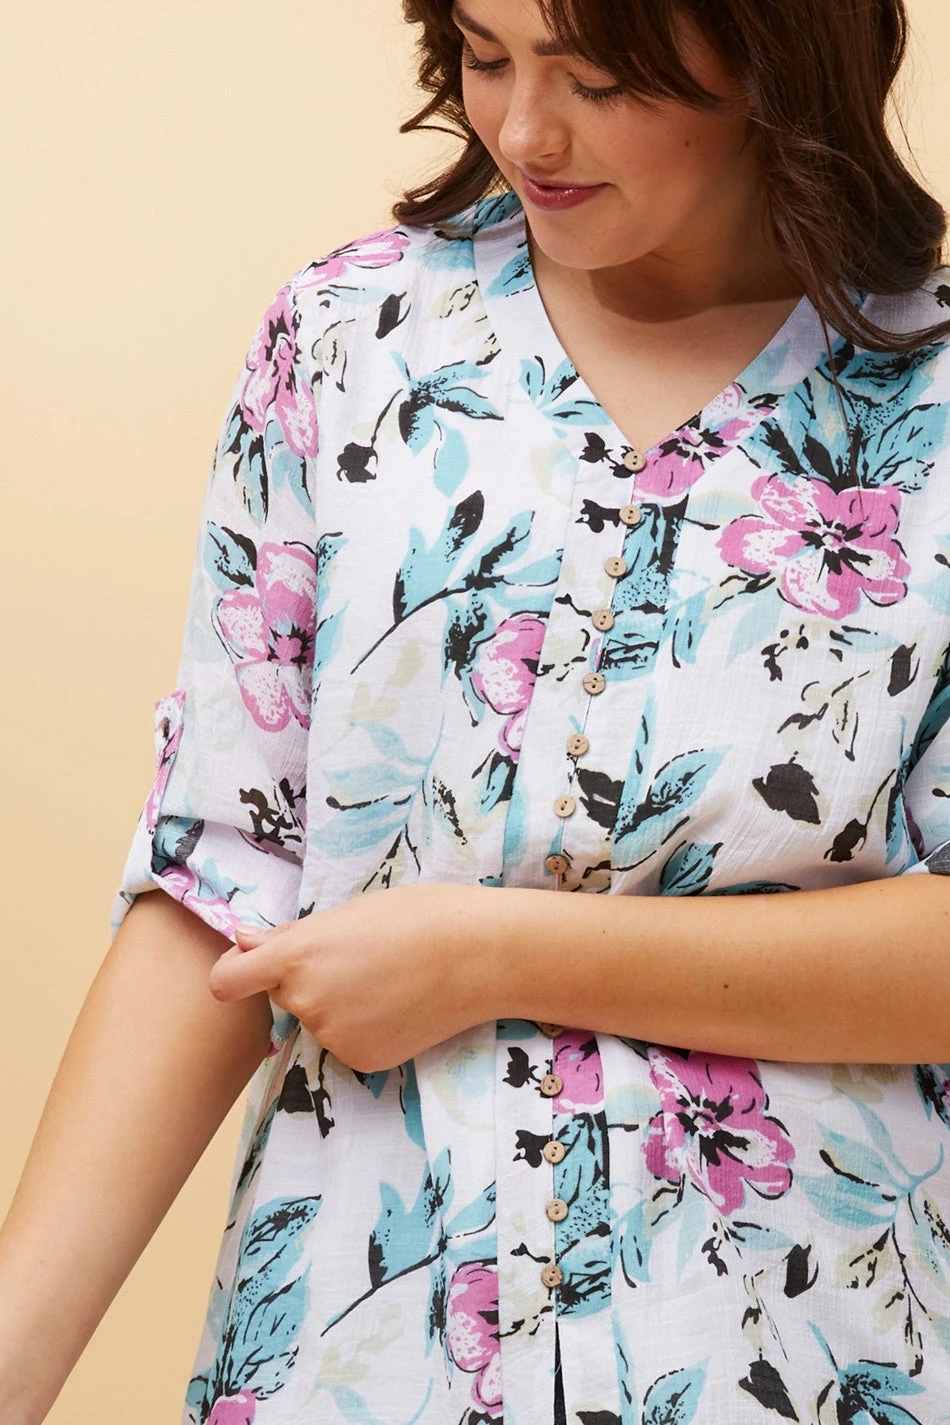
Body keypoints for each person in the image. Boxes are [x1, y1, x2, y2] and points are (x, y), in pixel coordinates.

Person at [4, 0, 950, 1419]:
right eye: (484, 55)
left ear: (779, 50)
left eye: (596, 80)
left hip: (795, 1359)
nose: (521, 132)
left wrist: (493, 952)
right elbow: (222, 877)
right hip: (359, 1357)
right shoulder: (353, 341)